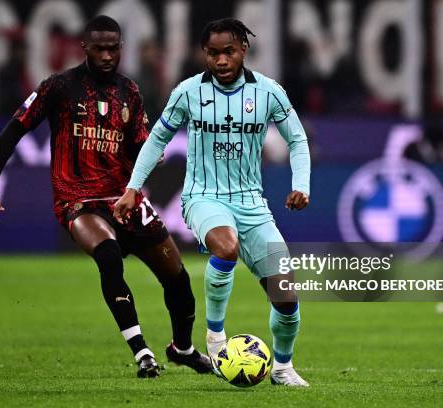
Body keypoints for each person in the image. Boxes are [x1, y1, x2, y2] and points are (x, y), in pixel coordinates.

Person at [0, 15, 212, 378]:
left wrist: (150, 153)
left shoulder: (129, 91)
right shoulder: (59, 87)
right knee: (108, 254)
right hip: (78, 199)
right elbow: (15, 127)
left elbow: (139, 145)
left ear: (121, 48)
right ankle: (142, 352)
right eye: (99, 48)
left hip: (125, 198)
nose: (106, 55)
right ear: (84, 47)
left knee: (178, 278)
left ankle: (182, 348)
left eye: (112, 48)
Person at [114, 18, 311, 386]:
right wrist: (132, 187)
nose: (221, 60)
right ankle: (216, 337)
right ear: (204, 53)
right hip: (204, 197)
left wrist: (302, 185)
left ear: (244, 50)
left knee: (286, 297)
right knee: (226, 246)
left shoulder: (269, 92)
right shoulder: (188, 92)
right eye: (213, 53)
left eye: (228, 52)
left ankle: (282, 368)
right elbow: (157, 138)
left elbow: (297, 140)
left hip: (252, 203)